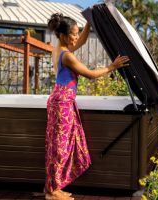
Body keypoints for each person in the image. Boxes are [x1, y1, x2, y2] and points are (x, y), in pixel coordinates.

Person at [45, 13, 130, 200]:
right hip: (62, 103)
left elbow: (81, 42)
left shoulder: (58, 48)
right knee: (59, 147)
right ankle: (52, 192)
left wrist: (88, 23)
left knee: (59, 146)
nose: (76, 37)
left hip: (60, 101)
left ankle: (55, 187)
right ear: (64, 35)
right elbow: (90, 74)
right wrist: (112, 67)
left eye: (76, 33)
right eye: (73, 34)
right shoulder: (67, 56)